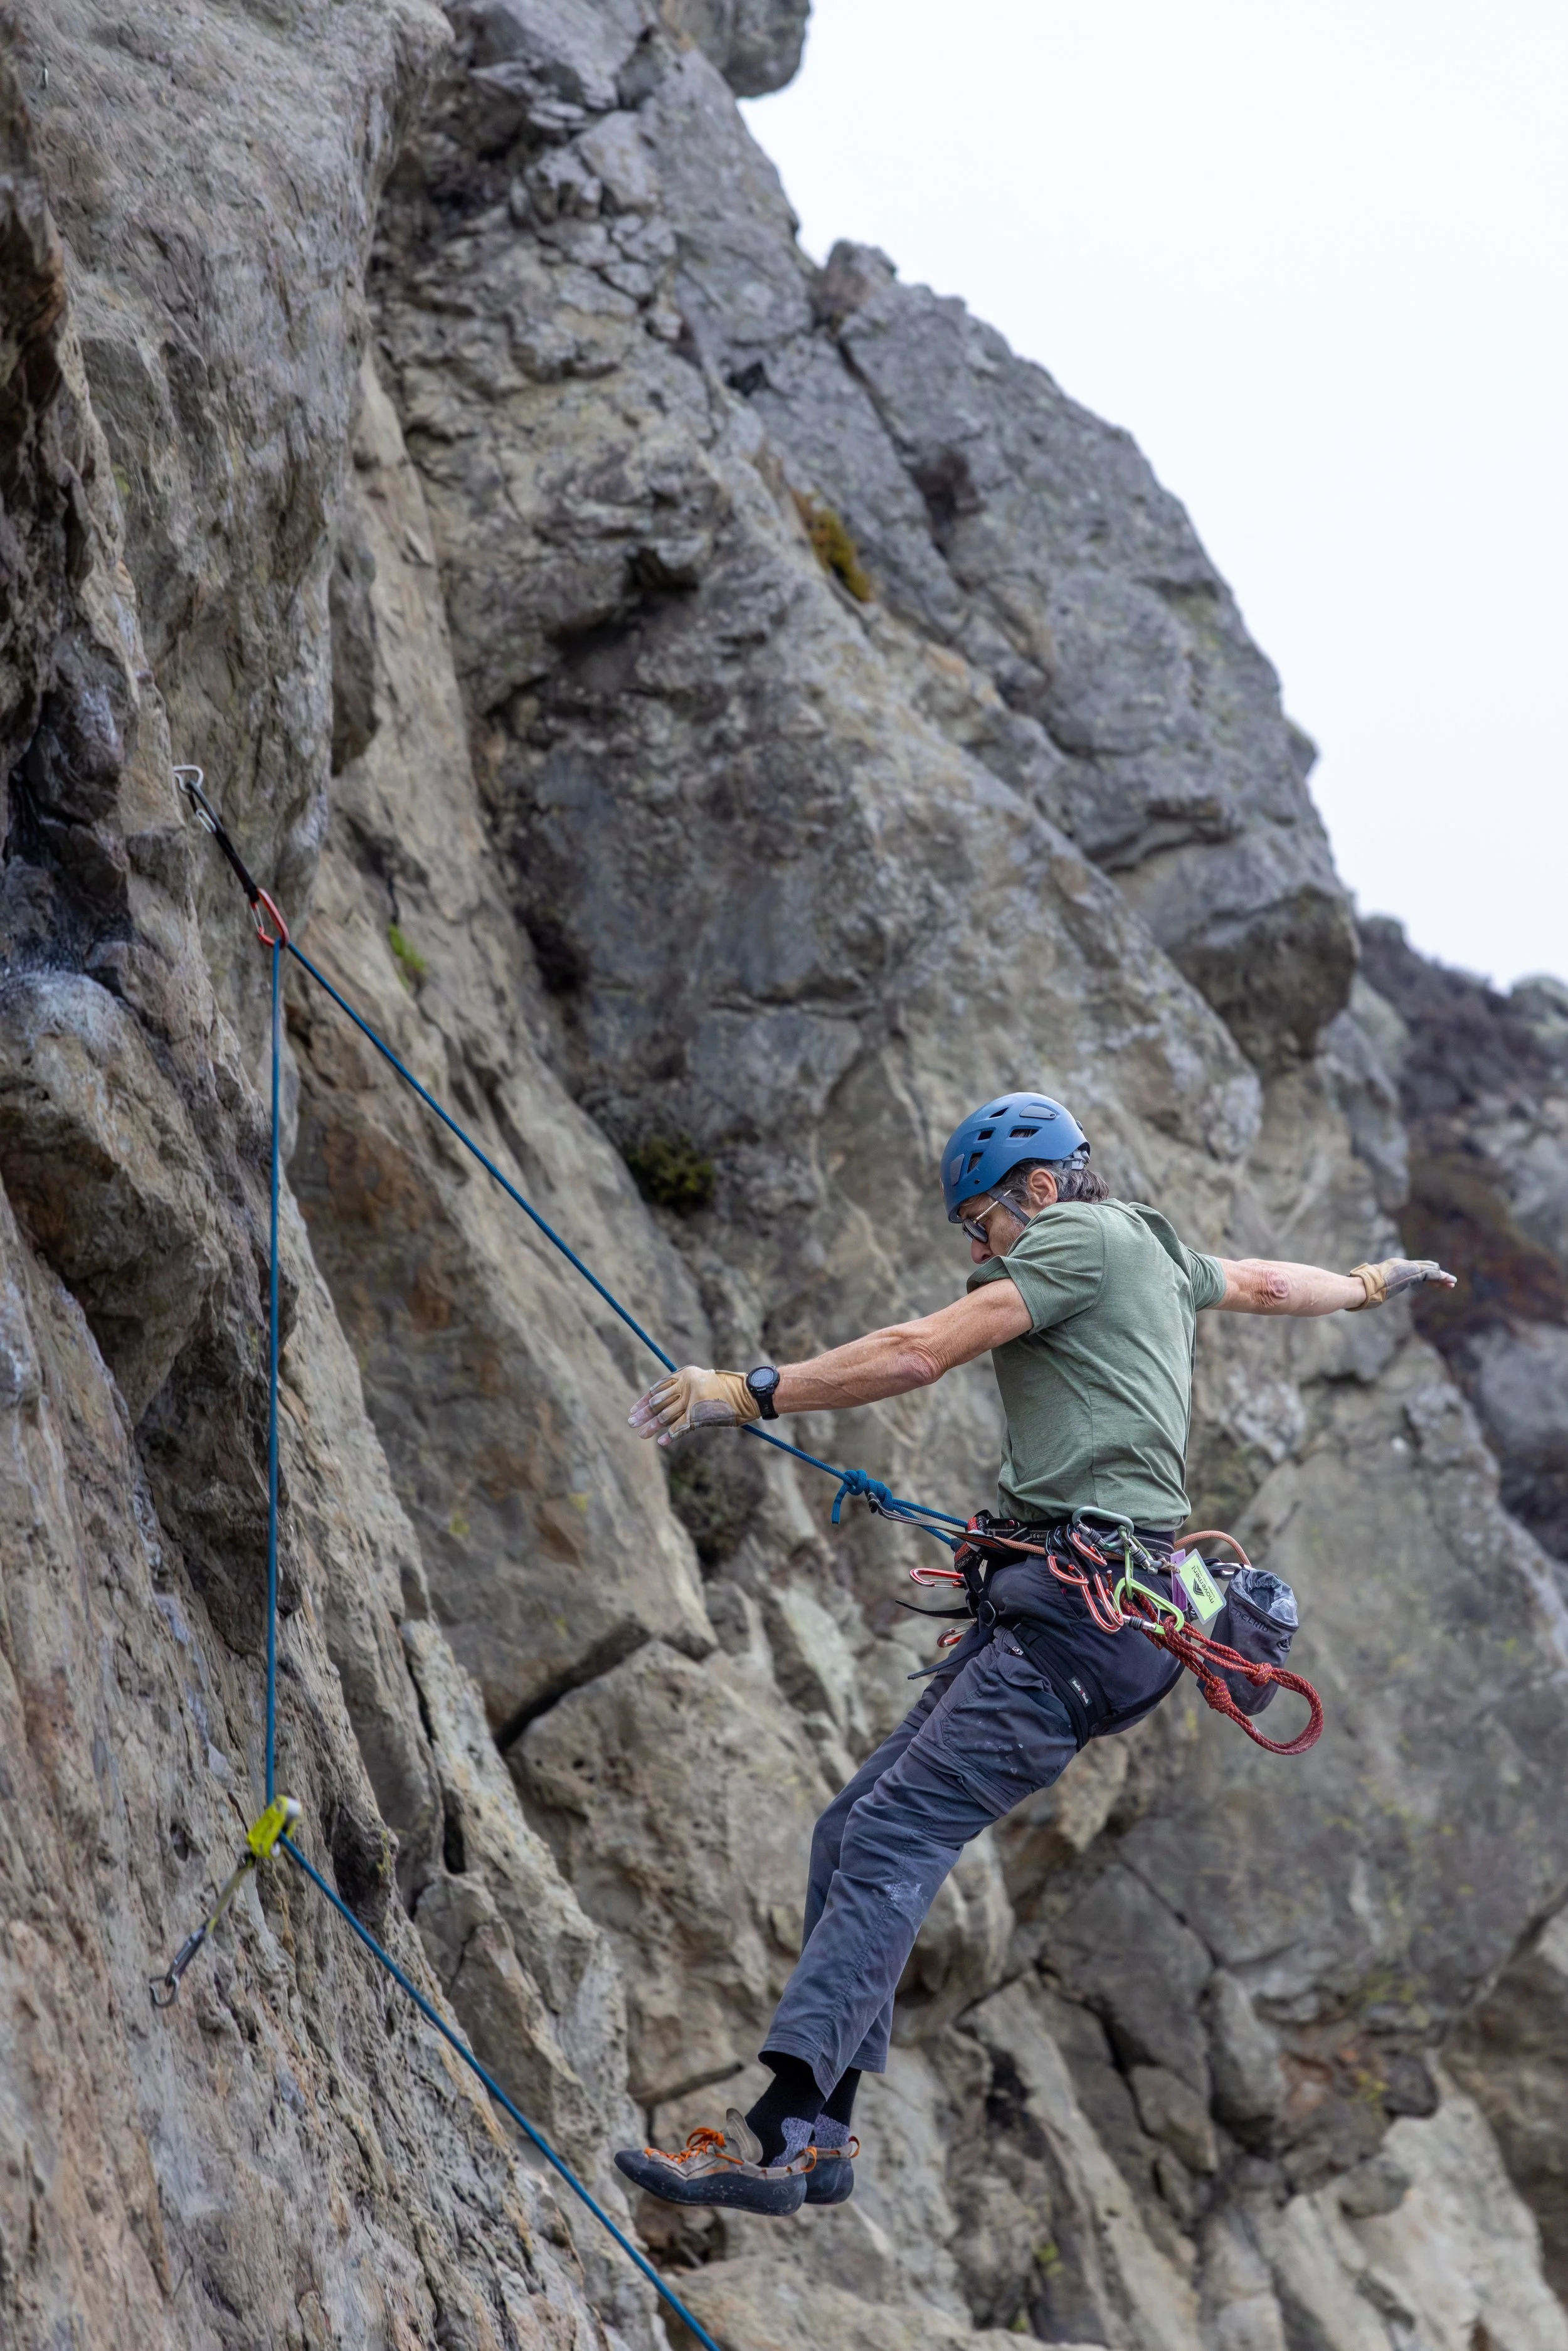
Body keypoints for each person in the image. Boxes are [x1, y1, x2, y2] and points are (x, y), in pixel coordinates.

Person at [613, 1093, 1454, 2217]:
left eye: (983, 1225)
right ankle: (818, 2139)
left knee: (894, 1835)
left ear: (1041, 1189)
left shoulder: (1070, 1236)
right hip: (1089, 1621)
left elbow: (920, 1355)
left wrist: (750, 1390)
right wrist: (1363, 1284)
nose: (980, 1250)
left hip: (1077, 1623)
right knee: (852, 1828)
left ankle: (774, 2138)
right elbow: (1258, 1282)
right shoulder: (1155, 1244)